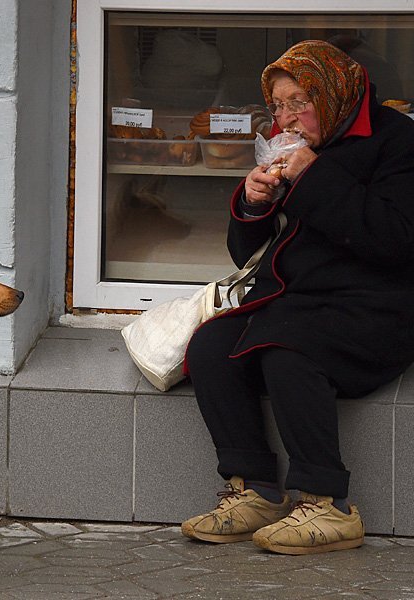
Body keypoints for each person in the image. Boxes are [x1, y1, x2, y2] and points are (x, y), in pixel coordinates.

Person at [181, 40, 414, 555]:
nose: (286, 118)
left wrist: (313, 174)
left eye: (298, 102)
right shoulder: (298, 142)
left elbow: (395, 237)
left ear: (333, 92)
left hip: (376, 305)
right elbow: (245, 250)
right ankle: (255, 489)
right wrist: (253, 202)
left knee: (287, 349)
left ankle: (327, 503)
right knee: (210, 346)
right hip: (298, 300)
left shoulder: (398, 141)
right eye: (277, 107)